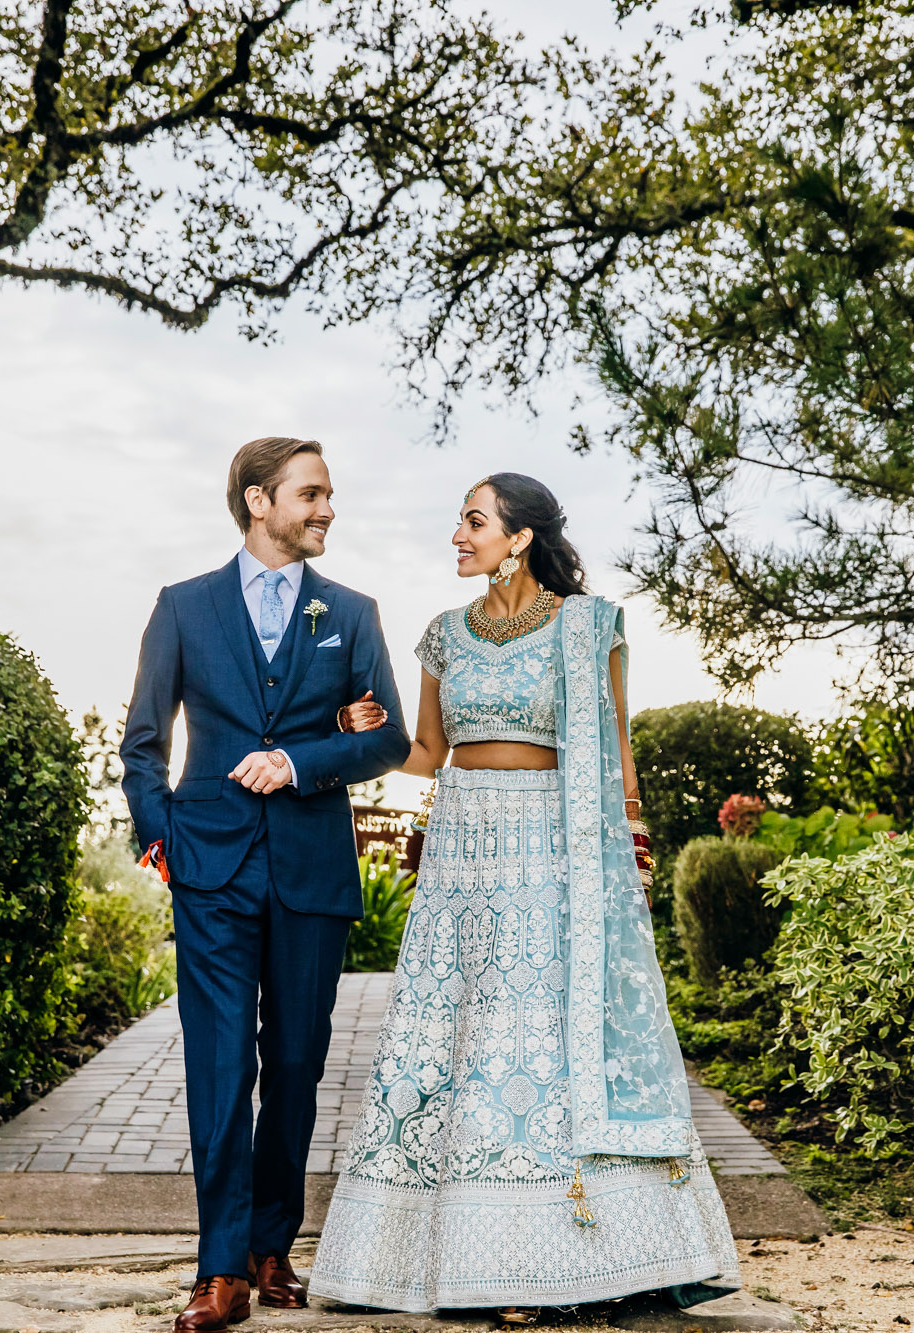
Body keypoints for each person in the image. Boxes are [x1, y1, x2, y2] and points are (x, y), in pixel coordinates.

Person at [306, 473, 741, 1318]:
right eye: (460, 523)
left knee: (540, 1037)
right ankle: (456, 1255)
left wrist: (632, 855)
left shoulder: (589, 627)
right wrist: (369, 734)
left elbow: (616, 752)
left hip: (554, 849)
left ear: (520, 536)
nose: (459, 537)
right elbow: (428, 752)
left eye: (473, 522)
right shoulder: (442, 635)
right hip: (464, 852)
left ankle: (585, 1257)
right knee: (461, 1035)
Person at [121, 436, 410, 1333]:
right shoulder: (183, 606)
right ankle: (218, 1268)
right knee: (218, 1062)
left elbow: (388, 738)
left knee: (294, 1062)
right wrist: (162, 842)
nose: (327, 509)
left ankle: (270, 1244)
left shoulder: (352, 613)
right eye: (311, 493)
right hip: (207, 867)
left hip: (312, 868)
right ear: (258, 500)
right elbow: (141, 743)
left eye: (329, 494)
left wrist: (298, 759)